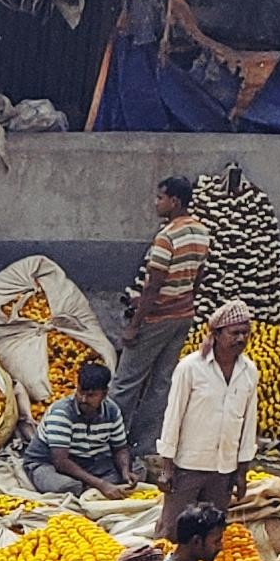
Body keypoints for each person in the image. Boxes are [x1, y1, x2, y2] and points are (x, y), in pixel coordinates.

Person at [154, 300, 261, 516]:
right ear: (217, 335)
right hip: (190, 465)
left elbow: (249, 424)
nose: (241, 338)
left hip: (224, 469)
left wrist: (242, 472)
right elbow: (173, 416)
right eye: (235, 333)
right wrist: (167, 467)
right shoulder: (190, 368)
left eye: (245, 333)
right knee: (174, 529)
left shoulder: (249, 371)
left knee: (211, 529)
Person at [120, 176, 209, 429]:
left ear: (175, 202)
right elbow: (197, 277)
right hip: (183, 315)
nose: (156, 203)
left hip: (157, 318)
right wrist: (182, 301)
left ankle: (111, 442)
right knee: (161, 382)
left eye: (160, 198)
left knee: (127, 381)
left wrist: (134, 326)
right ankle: (145, 444)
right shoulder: (202, 232)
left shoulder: (166, 237)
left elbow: (153, 286)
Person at [26, 356, 130, 495]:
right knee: (66, 486)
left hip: (90, 463)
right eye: (80, 392)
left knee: (138, 471)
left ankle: (91, 485)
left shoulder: (112, 411)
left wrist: (125, 472)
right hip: (49, 463)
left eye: (91, 395)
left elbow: (120, 448)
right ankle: (88, 487)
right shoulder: (62, 412)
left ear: (104, 394)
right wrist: (101, 484)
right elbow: (60, 461)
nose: (83, 399)